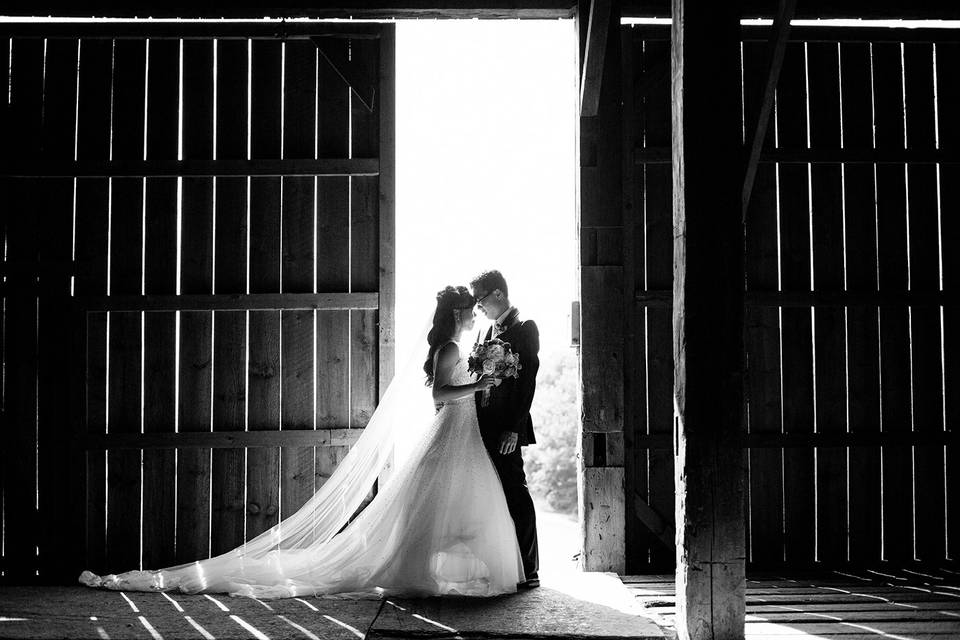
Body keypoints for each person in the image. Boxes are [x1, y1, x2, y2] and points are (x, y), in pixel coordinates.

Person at [79, 285, 524, 599]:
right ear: (457, 314)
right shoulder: (448, 348)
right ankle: (420, 572)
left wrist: (484, 379)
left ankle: (441, 572)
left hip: (462, 436)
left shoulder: (458, 348)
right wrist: (482, 382)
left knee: (455, 507)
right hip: (451, 432)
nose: (474, 315)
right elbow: (441, 395)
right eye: (470, 310)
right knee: (439, 507)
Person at [470, 270, 541, 589]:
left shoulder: (525, 328)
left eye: (481, 299)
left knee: (515, 490)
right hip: (483, 424)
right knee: (489, 492)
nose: (478, 307)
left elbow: (527, 382)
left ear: (498, 294)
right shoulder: (485, 332)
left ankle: (529, 569)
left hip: (507, 428)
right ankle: (499, 563)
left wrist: (514, 428)